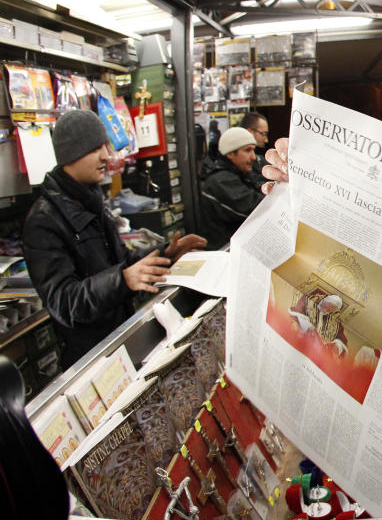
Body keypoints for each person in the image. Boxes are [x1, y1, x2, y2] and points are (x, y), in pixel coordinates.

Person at [23, 110, 206, 366]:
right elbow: (64, 302)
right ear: (70, 153)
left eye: (105, 145)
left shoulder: (89, 201)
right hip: (90, 359)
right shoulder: (43, 221)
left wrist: (165, 254)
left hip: (122, 339)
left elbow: (121, 261)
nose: (106, 155)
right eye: (95, 147)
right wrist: (122, 280)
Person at [198, 126, 264, 249]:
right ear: (230, 154)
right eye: (247, 150)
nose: (253, 157)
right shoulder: (221, 181)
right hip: (222, 253)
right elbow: (255, 208)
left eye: (253, 150)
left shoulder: (237, 174)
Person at [239, 111, 270, 187]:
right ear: (250, 132)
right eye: (263, 134)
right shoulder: (239, 163)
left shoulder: (261, 159)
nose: (266, 140)